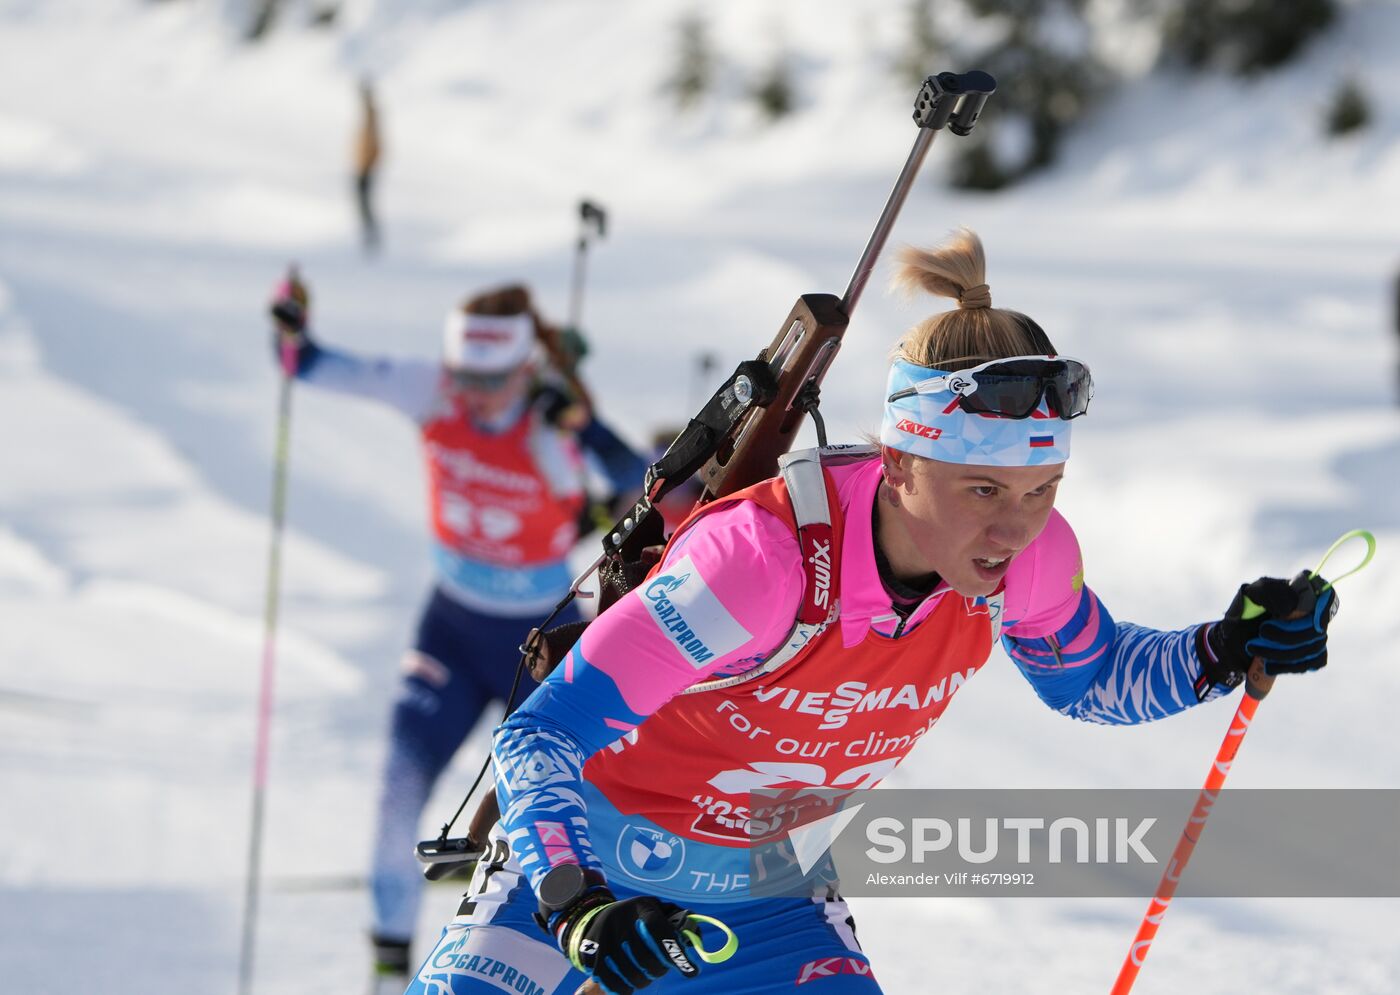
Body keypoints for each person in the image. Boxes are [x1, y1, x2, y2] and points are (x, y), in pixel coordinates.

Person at [401, 229, 1339, 995]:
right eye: (982, 490)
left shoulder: (1029, 556)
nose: (1014, 529)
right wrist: (576, 900)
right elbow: (539, 738)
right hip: (579, 875)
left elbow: (1090, 682)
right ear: (899, 465)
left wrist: (1225, 645)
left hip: (763, 897)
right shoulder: (761, 562)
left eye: (1042, 489)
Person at [267, 276, 648, 986]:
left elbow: (641, 479)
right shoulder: (431, 388)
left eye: (494, 378)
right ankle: (387, 969)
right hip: (450, 625)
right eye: (466, 375)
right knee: (397, 792)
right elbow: (309, 364)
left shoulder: (552, 414)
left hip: (545, 637)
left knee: (565, 812)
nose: (475, 393)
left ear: (525, 366)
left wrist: (584, 429)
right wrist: (288, 327)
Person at [354, 78, 383, 254]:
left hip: (366, 166)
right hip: (361, 164)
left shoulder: (371, 115)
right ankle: (367, 235)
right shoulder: (368, 114)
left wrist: (369, 162)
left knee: (366, 203)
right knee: (362, 203)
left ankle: (370, 237)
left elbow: (376, 144)